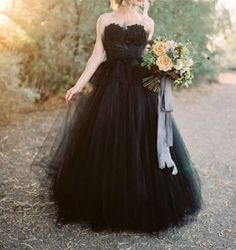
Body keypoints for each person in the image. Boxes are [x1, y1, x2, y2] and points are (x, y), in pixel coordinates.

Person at [32, 0, 202, 234]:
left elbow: (153, 58)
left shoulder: (147, 22)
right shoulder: (104, 19)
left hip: (140, 91)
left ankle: (140, 202)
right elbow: (96, 56)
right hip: (110, 88)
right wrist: (78, 85)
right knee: (107, 140)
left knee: (140, 141)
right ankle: (104, 201)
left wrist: (172, 68)